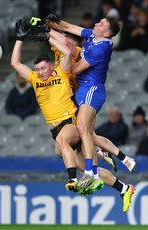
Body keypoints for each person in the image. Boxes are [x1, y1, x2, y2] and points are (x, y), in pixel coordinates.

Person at [10, 20, 134, 212]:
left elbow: (68, 49)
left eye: (44, 68)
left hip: (70, 120)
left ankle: (74, 179)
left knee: (75, 137)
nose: (41, 71)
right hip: (60, 125)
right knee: (74, 148)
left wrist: (48, 34)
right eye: (39, 69)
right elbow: (16, 63)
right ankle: (123, 187)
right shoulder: (35, 78)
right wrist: (25, 36)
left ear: (51, 66)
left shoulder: (63, 69)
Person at [46, 15, 121, 188]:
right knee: (65, 146)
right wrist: (47, 25)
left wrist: (61, 50)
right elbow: (68, 27)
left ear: (107, 34)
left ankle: (90, 172)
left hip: (90, 90)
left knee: (83, 130)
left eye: (101, 24)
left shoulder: (98, 49)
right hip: (80, 91)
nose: (96, 23)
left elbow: (74, 69)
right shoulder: (93, 36)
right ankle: (106, 156)